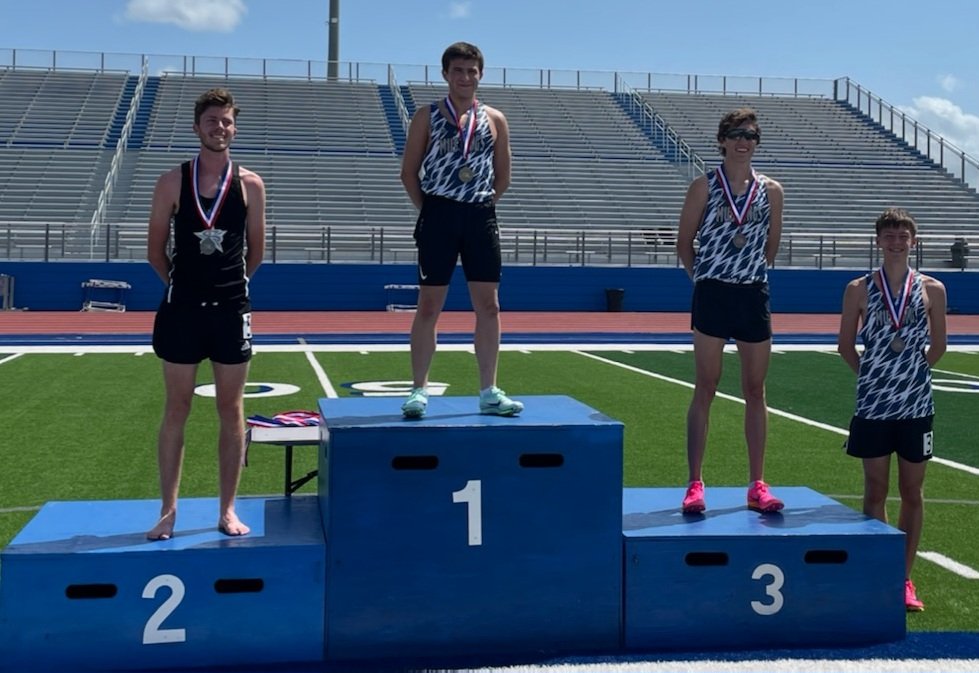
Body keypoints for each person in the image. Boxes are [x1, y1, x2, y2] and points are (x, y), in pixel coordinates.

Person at [146, 87, 267, 540]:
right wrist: (184, 288)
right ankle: (167, 510)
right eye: (212, 121)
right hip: (182, 310)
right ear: (198, 127)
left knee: (230, 408)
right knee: (176, 407)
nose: (221, 128)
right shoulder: (172, 182)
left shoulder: (251, 184)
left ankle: (228, 508)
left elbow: (255, 252)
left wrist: (227, 288)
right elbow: (155, 251)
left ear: (235, 128)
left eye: (227, 121)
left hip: (232, 309)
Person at [399, 41, 522, 419]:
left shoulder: (495, 120)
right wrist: (434, 211)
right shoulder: (427, 115)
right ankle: (419, 389)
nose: (465, 77)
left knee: (489, 305)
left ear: (480, 74)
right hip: (438, 214)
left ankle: (488, 390)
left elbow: (504, 177)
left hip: (480, 215)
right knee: (429, 305)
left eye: (471, 71)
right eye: (458, 71)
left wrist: (477, 205)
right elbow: (408, 173)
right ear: (445, 75)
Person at [675, 107, 785, 515]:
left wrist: (745, 270)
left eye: (751, 135)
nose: (744, 141)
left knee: (755, 390)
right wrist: (703, 279)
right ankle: (694, 483)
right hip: (713, 293)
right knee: (706, 386)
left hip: (752, 293)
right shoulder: (704, 187)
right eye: (737, 134)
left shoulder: (771, 190)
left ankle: (757, 484)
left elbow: (770, 247)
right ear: (722, 141)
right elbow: (684, 242)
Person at [838, 208, 947, 612]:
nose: (896, 242)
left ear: (913, 242)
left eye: (903, 236)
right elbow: (846, 345)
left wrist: (910, 375)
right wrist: (873, 377)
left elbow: (939, 346)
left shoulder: (933, 288)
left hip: (916, 404)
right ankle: (878, 571)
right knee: (875, 490)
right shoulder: (859, 289)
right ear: (878, 241)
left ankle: (902, 578)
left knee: (912, 491)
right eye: (889, 236)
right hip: (872, 405)